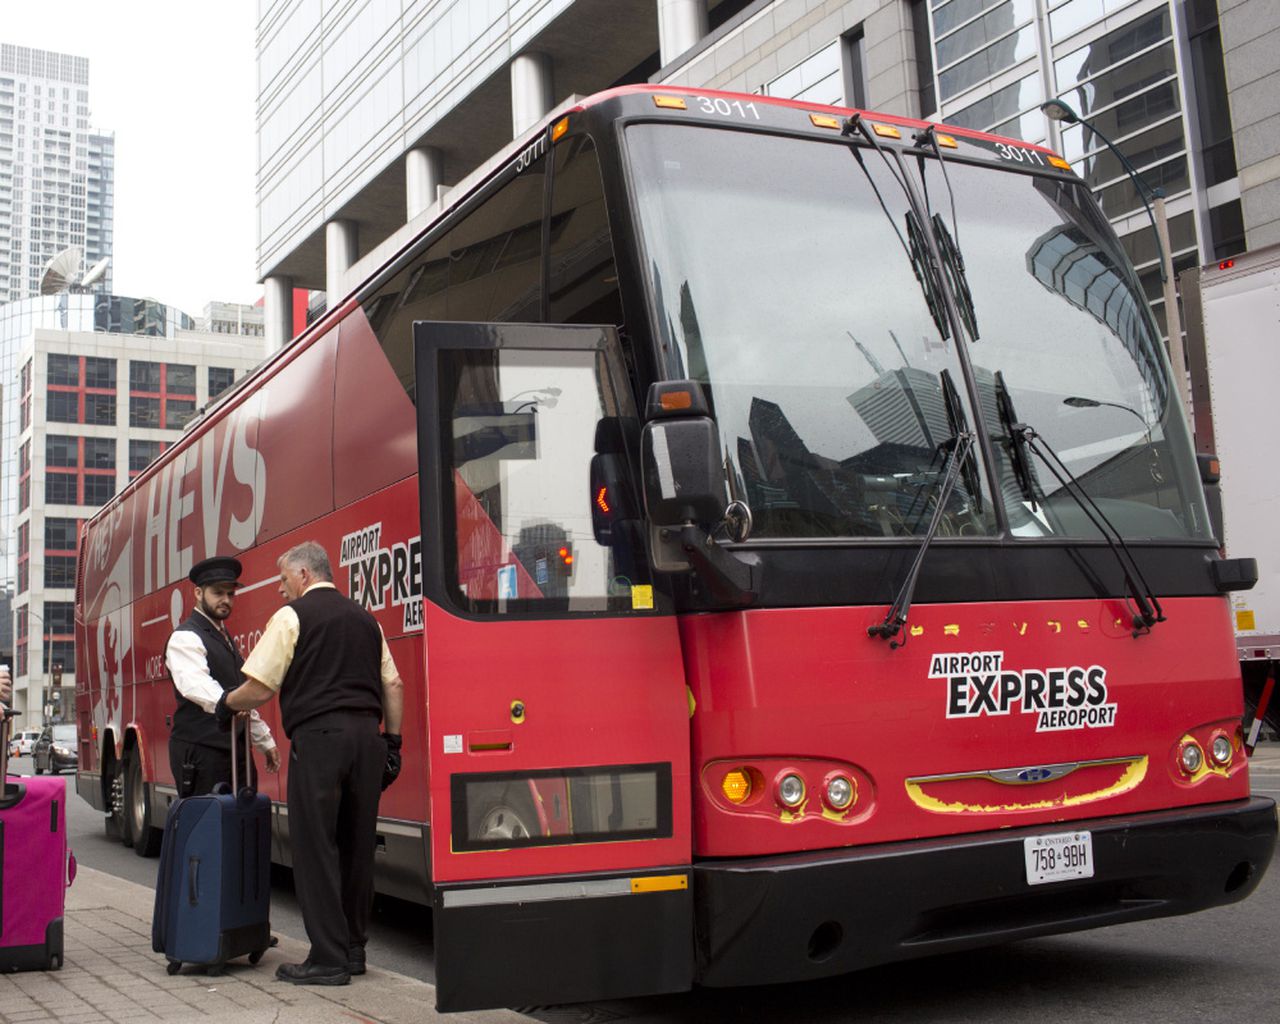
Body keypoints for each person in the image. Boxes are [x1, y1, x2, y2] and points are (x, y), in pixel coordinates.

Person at [218, 540, 404, 986]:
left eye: (283, 580)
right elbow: (393, 684)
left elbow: (260, 686)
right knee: (358, 846)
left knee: (316, 847)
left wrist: (226, 704)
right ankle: (354, 949)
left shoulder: (292, 617)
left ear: (303, 575)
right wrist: (393, 744)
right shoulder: (366, 620)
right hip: (368, 740)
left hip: (320, 740)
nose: (280, 590)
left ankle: (328, 957)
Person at [165, 556, 280, 796]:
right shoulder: (185, 637)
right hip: (202, 754)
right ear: (198, 593)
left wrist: (264, 740)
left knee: (241, 826)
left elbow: (240, 693)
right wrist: (229, 703)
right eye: (218, 593)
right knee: (208, 829)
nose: (226, 601)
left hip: (234, 754)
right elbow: (196, 685)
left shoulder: (224, 637)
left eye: (231, 594)